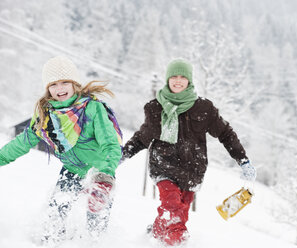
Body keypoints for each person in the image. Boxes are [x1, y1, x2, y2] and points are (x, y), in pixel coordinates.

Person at [122, 59, 256, 246]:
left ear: (189, 81)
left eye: (182, 77)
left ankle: (156, 233)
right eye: (174, 77)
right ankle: (178, 242)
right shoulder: (155, 107)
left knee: (179, 213)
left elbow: (225, 133)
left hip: (191, 170)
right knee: (172, 206)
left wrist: (243, 160)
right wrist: (121, 155)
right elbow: (142, 137)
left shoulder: (204, 108)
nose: (178, 81)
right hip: (163, 167)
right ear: (167, 79)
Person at [0, 55, 123, 244]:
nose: (60, 89)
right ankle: (51, 242)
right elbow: (22, 142)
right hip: (72, 170)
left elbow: (110, 143)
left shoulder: (92, 108)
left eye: (65, 82)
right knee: (56, 212)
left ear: (75, 84)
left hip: (99, 172)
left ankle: (96, 243)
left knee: (96, 216)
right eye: (54, 84)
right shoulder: (45, 115)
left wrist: (105, 174)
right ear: (47, 89)